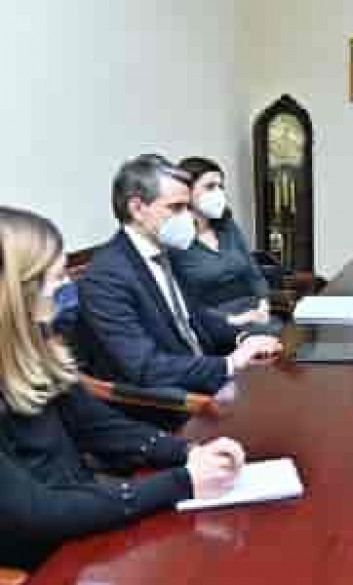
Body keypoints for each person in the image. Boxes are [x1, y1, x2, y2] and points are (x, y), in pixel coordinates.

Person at [0, 206, 246, 570]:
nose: (65, 287)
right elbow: (38, 512)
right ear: (15, 292)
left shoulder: (34, 349)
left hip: (83, 521)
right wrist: (182, 482)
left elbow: (98, 427)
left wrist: (188, 452)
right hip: (42, 557)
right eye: (55, 278)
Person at [77, 155, 281, 406]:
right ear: (137, 209)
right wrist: (229, 364)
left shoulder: (164, 251)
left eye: (187, 206)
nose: (188, 217)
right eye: (176, 208)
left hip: (206, 375)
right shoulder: (106, 276)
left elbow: (193, 318)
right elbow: (145, 367)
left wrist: (242, 338)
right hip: (173, 402)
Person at [171, 156, 280, 335]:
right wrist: (233, 319)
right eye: (210, 187)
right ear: (186, 192)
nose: (218, 193)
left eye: (220, 187)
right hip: (214, 321)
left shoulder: (227, 226)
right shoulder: (175, 239)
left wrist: (263, 304)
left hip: (253, 310)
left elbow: (252, 272)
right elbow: (182, 301)